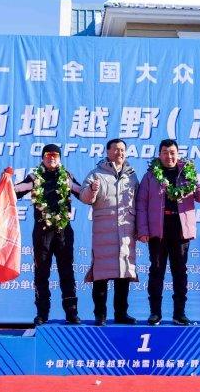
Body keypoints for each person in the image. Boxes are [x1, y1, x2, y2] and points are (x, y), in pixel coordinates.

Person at [136, 139, 200, 326]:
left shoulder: (188, 173)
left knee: (180, 272)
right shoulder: (150, 176)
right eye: (165, 152)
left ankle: (179, 314)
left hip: (180, 229)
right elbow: (141, 204)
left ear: (178, 154)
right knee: (156, 271)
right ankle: (155, 313)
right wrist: (143, 230)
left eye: (172, 152)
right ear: (159, 154)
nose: (169, 156)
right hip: (157, 230)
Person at [14, 144, 82, 326]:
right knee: (41, 272)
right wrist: (7, 183)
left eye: (55, 155)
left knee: (67, 271)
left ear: (59, 158)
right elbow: (17, 190)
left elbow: (82, 194)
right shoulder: (35, 176)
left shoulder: (67, 176)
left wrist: (92, 188)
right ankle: (42, 313)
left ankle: (72, 313)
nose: (52, 158)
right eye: (48, 155)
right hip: (42, 232)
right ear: (43, 158)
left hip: (63, 232)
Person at [79, 139, 139, 326]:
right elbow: (84, 197)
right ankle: (100, 315)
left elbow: (138, 202)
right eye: (116, 149)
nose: (119, 153)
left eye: (122, 150)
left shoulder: (131, 176)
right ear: (108, 152)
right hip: (103, 233)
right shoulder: (96, 174)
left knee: (124, 274)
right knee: (101, 275)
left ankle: (121, 314)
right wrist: (92, 190)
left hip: (126, 232)